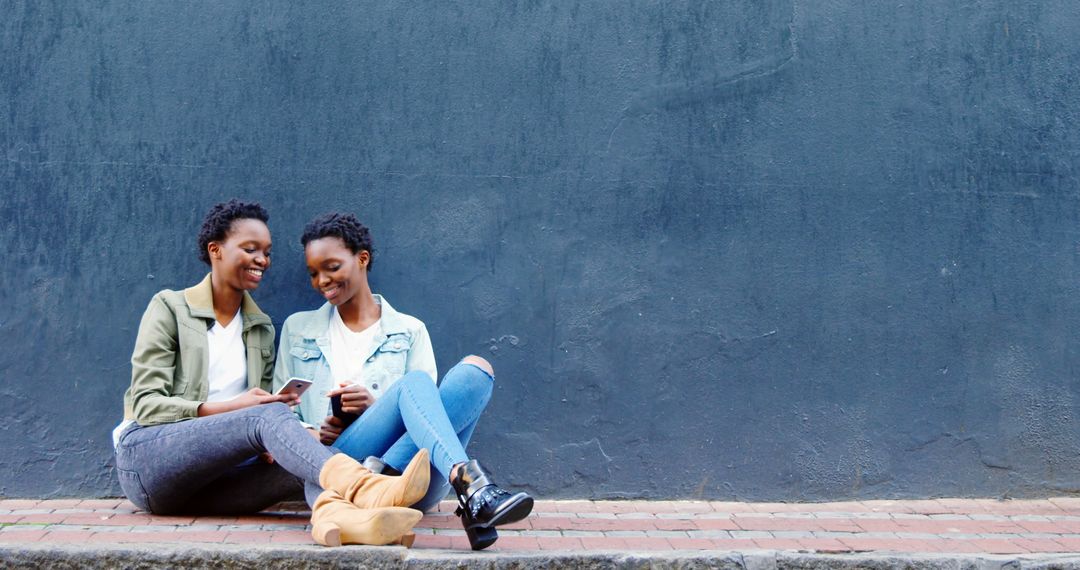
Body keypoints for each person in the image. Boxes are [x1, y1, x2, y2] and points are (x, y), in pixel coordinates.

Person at [112, 200, 432, 547]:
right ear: (215, 250)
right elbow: (146, 406)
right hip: (149, 466)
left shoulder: (261, 329)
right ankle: (365, 486)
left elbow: (262, 424)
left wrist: (284, 440)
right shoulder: (171, 308)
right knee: (265, 416)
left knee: (306, 458)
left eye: (267, 252)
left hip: (212, 487)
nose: (262, 260)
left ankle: (340, 519)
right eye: (251, 249)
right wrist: (237, 408)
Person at [274, 212, 532, 550]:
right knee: (414, 384)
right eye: (313, 273)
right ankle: (472, 487)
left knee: (474, 371)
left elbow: (428, 419)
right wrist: (314, 431)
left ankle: (387, 480)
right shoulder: (298, 329)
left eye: (332, 267)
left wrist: (376, 407)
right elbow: (280, 413)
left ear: (362, 259)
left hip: (413, 476)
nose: (322, 280)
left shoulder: (409, 330)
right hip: (338, 462)